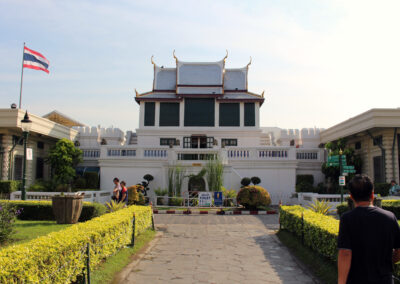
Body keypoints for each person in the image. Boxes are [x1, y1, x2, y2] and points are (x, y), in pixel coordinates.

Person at [338, 175, 400, 284]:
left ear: (351, 196)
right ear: (372, 194)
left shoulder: (347, 218)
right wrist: (386, 262)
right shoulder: (390, 217)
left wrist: (341, 282)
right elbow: (398, 250)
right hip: (384, 279)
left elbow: (345, 252)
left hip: (356, 279)